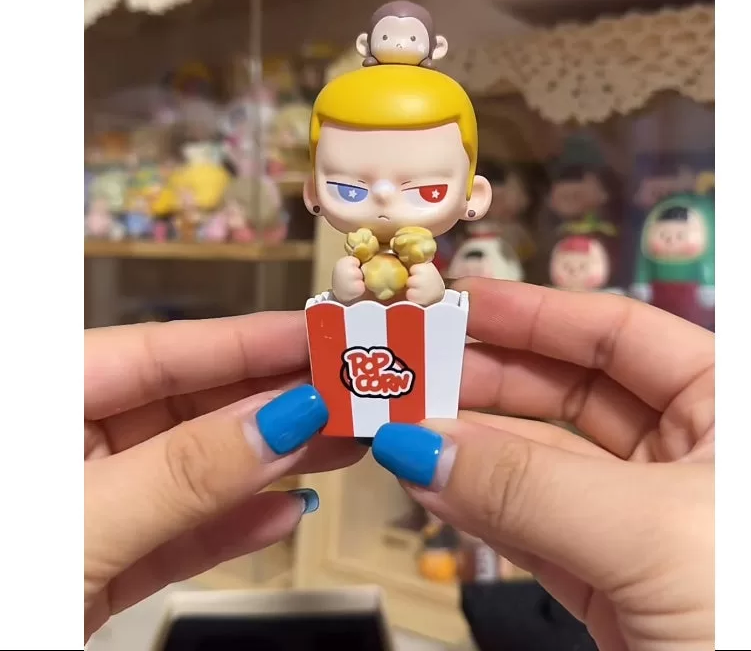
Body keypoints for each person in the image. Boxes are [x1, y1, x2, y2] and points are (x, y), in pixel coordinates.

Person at [85, 278, 714, 650]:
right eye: (352, 187)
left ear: (473, 195)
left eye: (427, 188)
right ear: (315, 193)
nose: (387, 196)